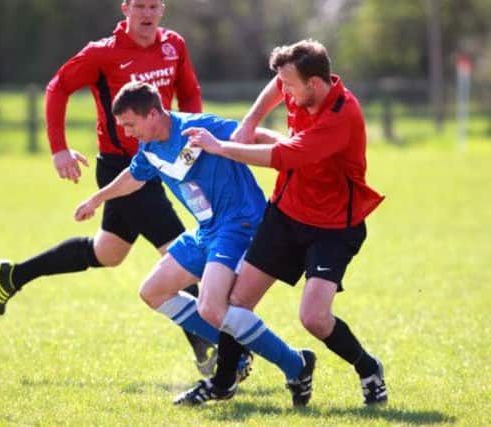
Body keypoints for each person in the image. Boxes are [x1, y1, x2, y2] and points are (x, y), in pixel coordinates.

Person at [0, 0, 216, 376]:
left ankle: (13, 276)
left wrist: (192, 136)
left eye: (154, 6)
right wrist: (59, 148)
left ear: (163, 9)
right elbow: (57, 88)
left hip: (162, 163)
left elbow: (189, 92)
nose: (147, 13)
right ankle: (211, 352)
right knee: (183, 258)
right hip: (123, 170)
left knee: (108, 251)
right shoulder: (102, 53)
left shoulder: (174, 44)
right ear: (126, 7)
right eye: (140, 5)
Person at [74, 81, 316, 406]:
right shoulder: (148, 148)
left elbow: (251, 136)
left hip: (239, 225)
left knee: (212, 307)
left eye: (130, 124)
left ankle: (295, 365)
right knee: (153, 291)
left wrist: (294, 150)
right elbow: (134, 176)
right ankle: (239, 349)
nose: (128, 133)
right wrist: (97, 198)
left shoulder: (196, 128)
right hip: (206, 230)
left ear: (153, 113)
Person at [182, 39, 388, 405]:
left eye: (292, 85)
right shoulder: (300, 86)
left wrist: (222, 147)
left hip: (333, 227)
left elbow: (285, 156)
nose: (286, 92)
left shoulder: (342, 116)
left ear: (314, 83)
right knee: (237, 301)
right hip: (286, 214)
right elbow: (278, 85)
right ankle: (223, 381)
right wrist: (249, 124)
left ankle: (368, 367)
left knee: (314, 318)